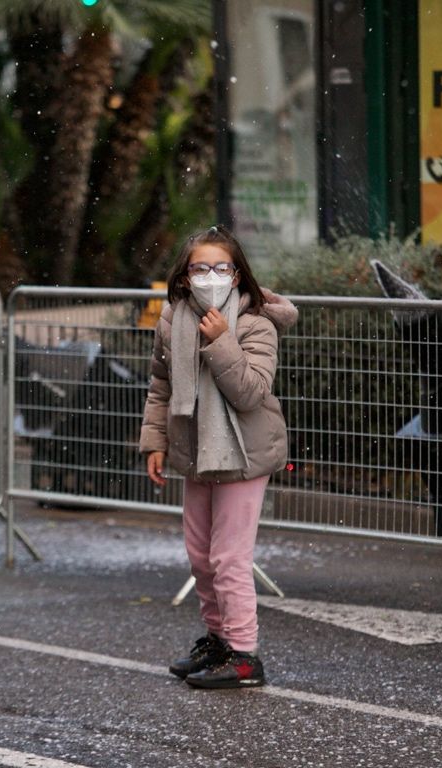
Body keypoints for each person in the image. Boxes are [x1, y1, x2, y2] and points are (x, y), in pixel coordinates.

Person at [139, 224, 298, 689]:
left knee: (229, 556)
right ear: (185, 277)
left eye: (221, 267)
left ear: (237, 274)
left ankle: (245, 655)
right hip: (194, 452)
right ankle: (217, 639)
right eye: (200, 268)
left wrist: (221, 340)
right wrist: (156, 442)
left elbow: (250, 392)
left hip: (244, 453)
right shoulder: (173, 317)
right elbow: (161, 385)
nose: (211, 275)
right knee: (200, 554)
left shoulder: (255, 323)